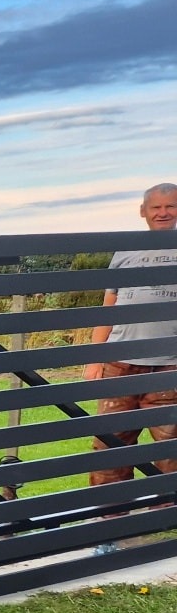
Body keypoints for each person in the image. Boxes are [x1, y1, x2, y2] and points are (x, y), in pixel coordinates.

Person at [85, 183, 177, 488]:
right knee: (110, 448)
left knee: (170, 452)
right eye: (156, 207)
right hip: (119, 364)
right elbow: (109, 306)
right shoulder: (126, 250)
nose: (163, 213)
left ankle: (164, 514)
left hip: (168, 367)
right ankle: (110, 514)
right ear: (143, 211)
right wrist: (95, 359)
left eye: (170, 206)